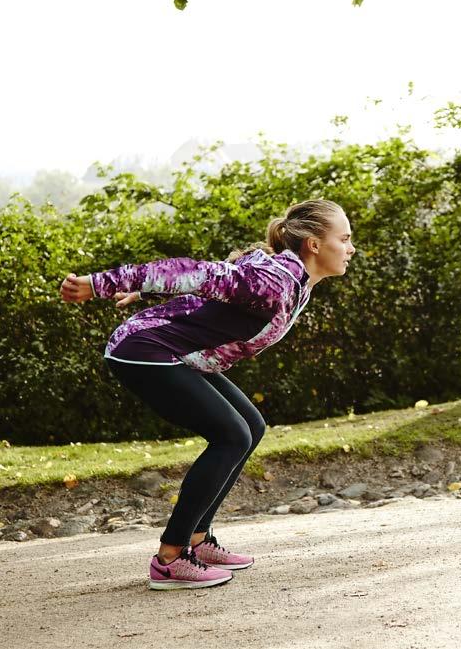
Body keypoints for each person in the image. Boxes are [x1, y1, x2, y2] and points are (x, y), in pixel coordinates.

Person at [60, 199, 355, 590]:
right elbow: (192, 273)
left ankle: (198, 541)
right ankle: (171, 557)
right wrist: (103, 283)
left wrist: (145, 295)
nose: (351, 248)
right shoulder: (278, 280)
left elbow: (216, 293)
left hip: (178, 354)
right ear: (315, 244)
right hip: (144, 351)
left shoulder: (295, 281)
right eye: (345, 239)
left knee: (251, 425)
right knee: (231, 435)